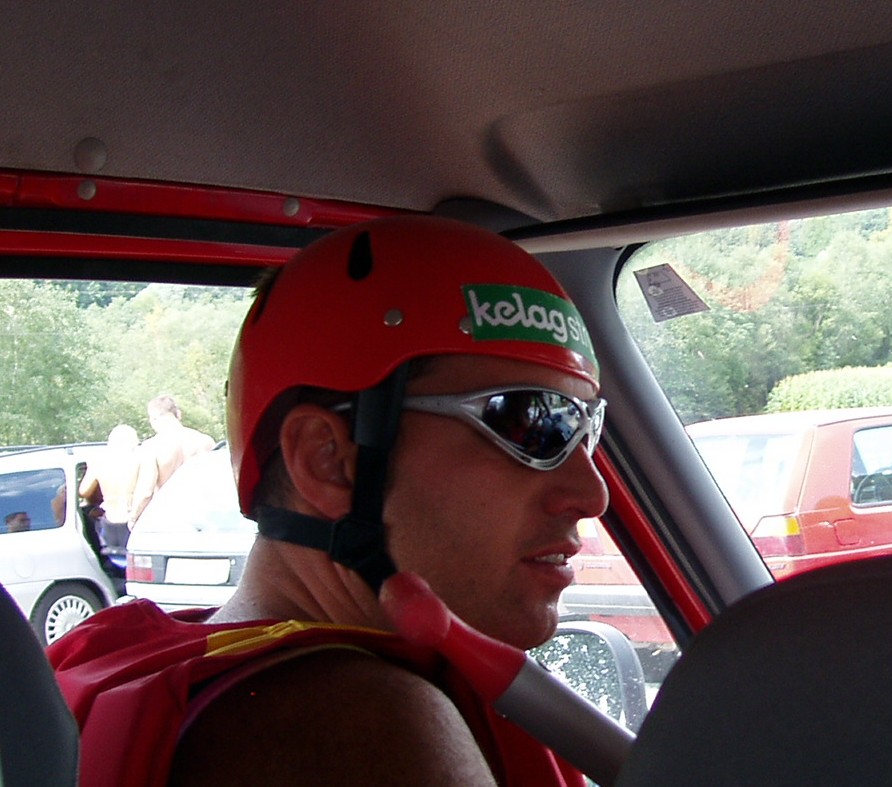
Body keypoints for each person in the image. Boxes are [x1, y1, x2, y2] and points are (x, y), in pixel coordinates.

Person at [50, 216, 609, 786]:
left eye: (588, 429)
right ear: (329, 461)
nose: (593, 495)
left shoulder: (133, 659)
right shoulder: (362, 726)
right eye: (532, 423)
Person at [128, 395, 215, 527]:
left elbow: (146, 491)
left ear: (153, 418)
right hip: (202, 514)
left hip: (167, 515)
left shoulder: (152, 447)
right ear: (178, 414)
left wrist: (133, 517)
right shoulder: (205, 441)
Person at [78, 424, 140, 552]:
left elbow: (83, 491)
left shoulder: (99, 462)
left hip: (110, 519)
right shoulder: (139, 461)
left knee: (113, 558)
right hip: (132, 519)